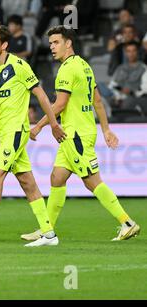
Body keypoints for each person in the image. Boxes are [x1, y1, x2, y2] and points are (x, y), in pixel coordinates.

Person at [21, 26, 141, 242]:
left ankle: (127, 222)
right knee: (57, 178)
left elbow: (59, 105)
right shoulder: (84, 66)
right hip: (79, 132)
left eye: (56, 42)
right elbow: (97, 100)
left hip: (75, 135)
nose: (52, 47)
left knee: (91, 181)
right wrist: (105, 129)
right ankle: (47, 229)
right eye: (50, 44)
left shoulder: (67, 69)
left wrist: (38, 125)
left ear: (69, 43)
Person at [0, 23, 66, 248]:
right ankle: (49, 234)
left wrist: (53, 124)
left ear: (4, 45)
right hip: (4, 133)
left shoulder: (19, 66)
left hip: (16, 132)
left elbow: (42, 96)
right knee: (28, 183)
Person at [108, 42, 147, 113]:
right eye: (128, 51)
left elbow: (144, 88)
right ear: (125, 53)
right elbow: (112, 85)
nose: (131, 54)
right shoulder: (120, 68)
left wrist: (131, 92)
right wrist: (118, 96)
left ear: (137, 52)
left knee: (128, 102)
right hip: (118, 98)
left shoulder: (144, 68)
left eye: (134, 51)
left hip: (135, 98)